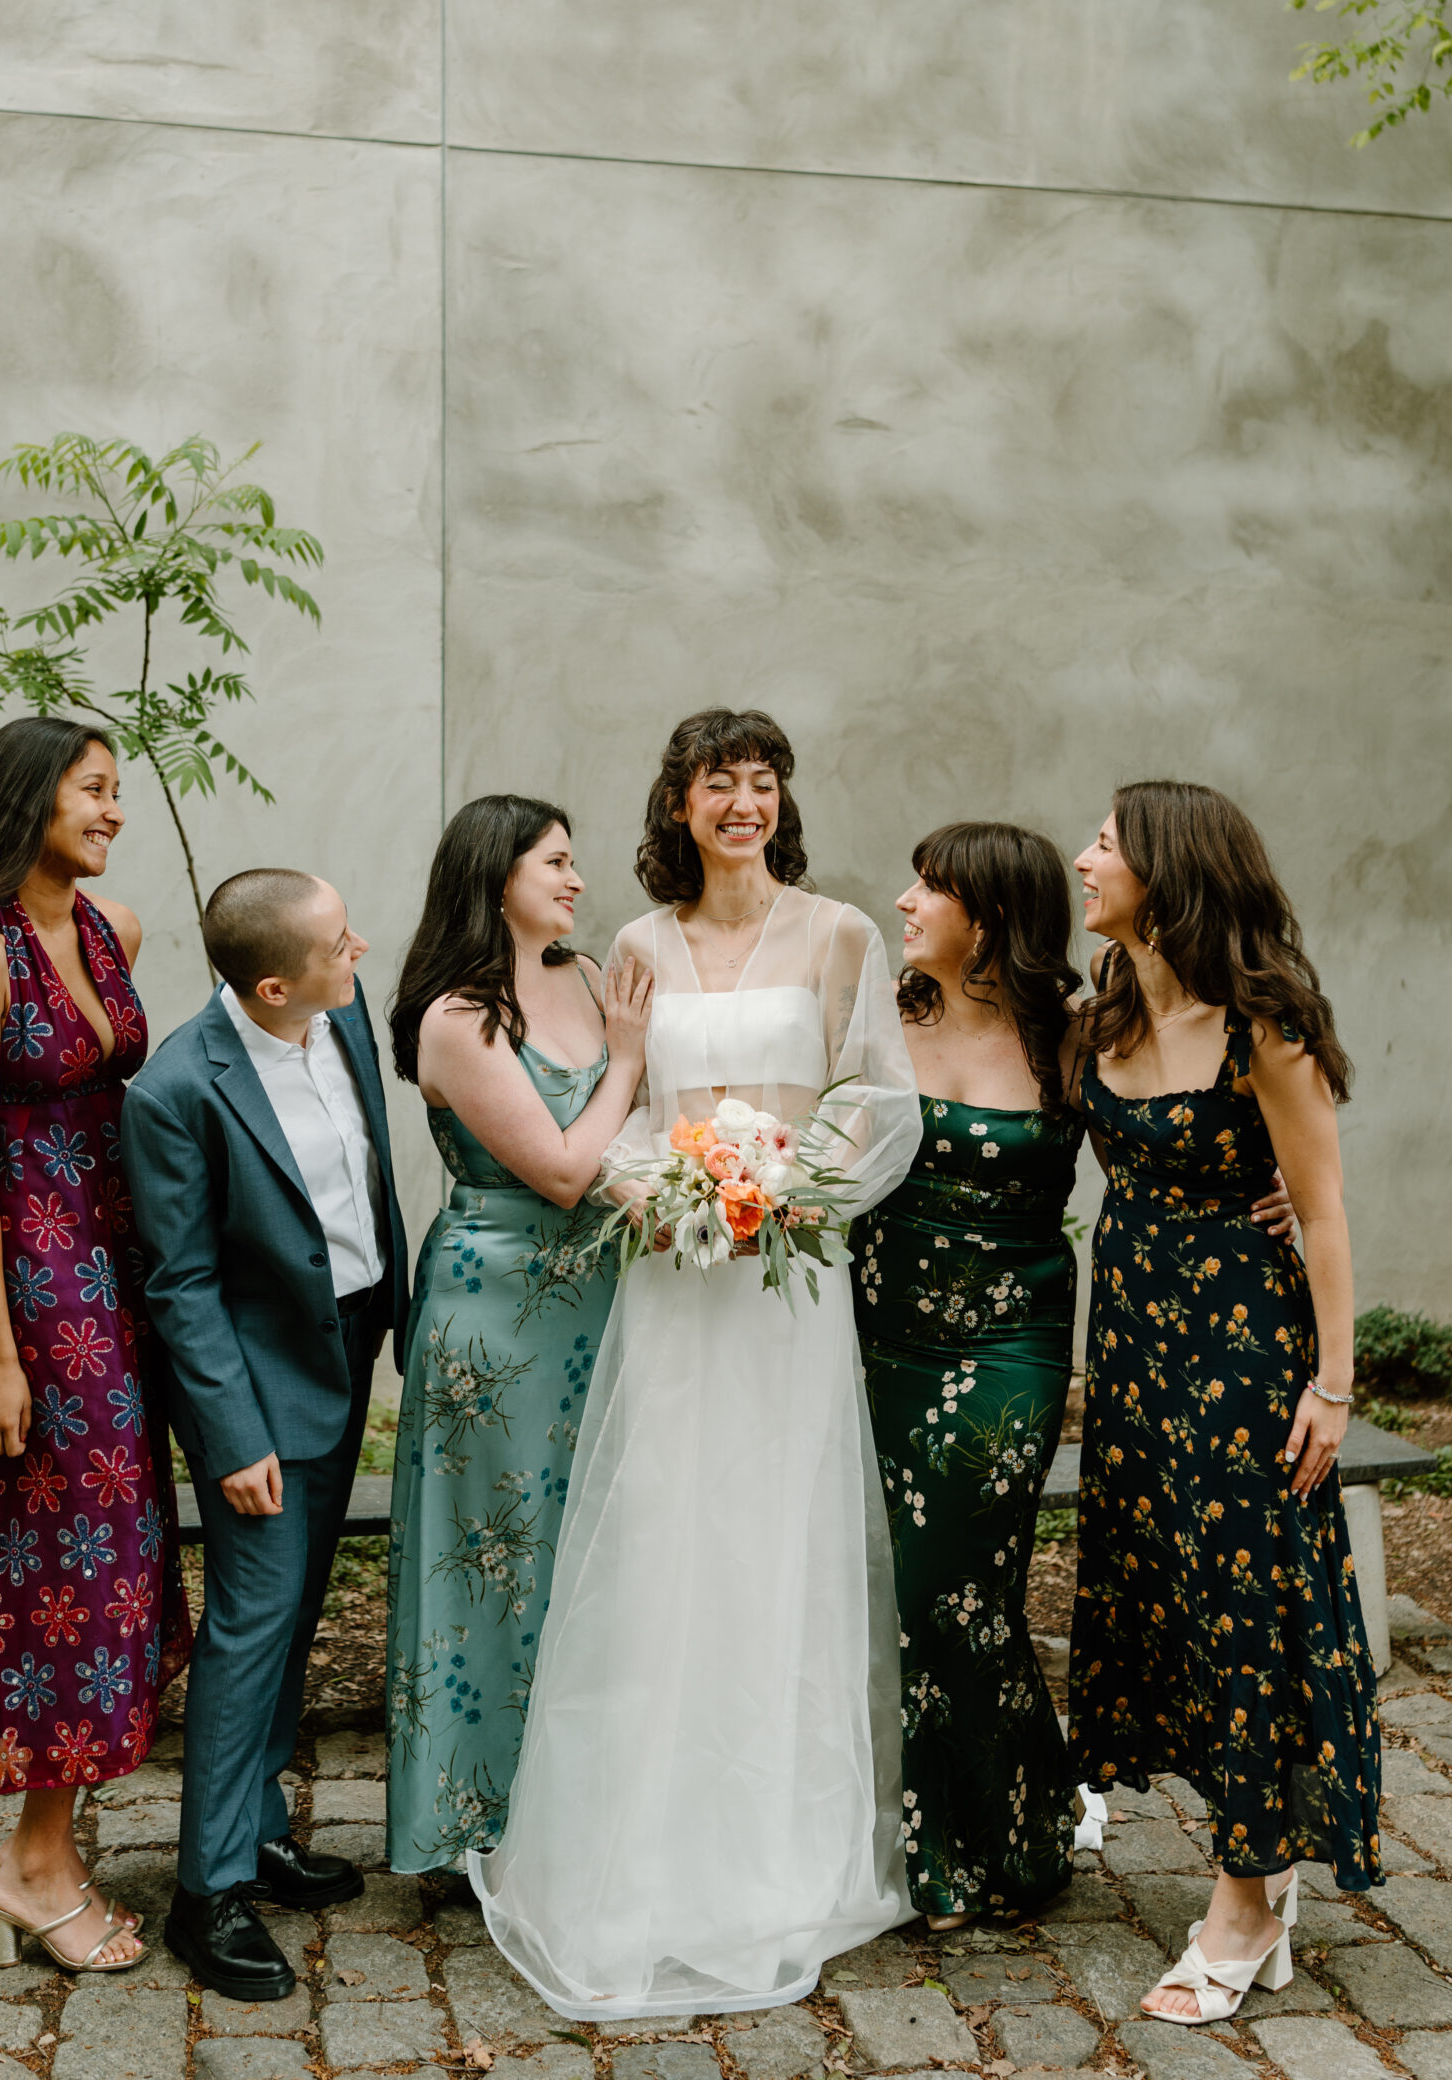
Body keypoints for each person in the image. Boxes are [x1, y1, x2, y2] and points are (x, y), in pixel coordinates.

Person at [470, 709, 922, 2018]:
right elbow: (612, 1102)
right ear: (677, 804)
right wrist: (671, 1189)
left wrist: (781, 1187)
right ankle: (648, 1841)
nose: (742, 802)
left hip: (786, 1283)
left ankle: (784, 1851)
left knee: (775, 1534)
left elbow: (871, 1101)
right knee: (671, 1534)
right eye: (717, 782)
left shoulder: (840, 935)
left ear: (781, 802)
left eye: (761, 781)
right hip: (672, 1279)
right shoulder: (635, 946)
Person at [1066, 781, 1380, 2030]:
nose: (1085, 857)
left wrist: (1335, 1384)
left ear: (1167, 869)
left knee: (1245, 1604)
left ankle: (1246, 1899)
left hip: (1245, 1354)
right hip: (1138, 1352)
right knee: (1172, 1596)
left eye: (1106, 843)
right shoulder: (1104, 1009)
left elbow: (1323, 1206)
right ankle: (1256, 1867)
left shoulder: (1265, 1026)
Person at [0, 717, 190, 1975]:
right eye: (93, 790)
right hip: (29, 1284)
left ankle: (54, 1842)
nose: (113, 811)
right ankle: (30, 1864)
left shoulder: (115, 932)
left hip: (118, 1267)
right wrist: (0, 1360)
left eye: (119, 792)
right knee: (55, 1557)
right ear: (30, 800)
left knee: (119, 1551)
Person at [120, 870, 408, 2003]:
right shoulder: (179, 1089)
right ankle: (210, 1890)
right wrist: (233, 1437)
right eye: (344, 942)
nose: (362, 949)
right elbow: (182, 1283)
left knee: (295, 1616)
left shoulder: (339, 1020)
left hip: (346, 1345)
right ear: (274, 979)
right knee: (249, 1629)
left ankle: (262, 1829)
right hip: (260, 1388)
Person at [382, 797, 653, 1869]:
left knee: (588, 1555)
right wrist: (627, 1063)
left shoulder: (587, 979)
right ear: (496, 874)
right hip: (494, 1319)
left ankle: (574, 1813)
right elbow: (560, 1165)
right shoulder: (457, 1015)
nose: (578, 881)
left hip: (601, 1302)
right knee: (494, 1561)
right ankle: (472, 1824)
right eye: (557, 863)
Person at [853, 822, 1086, 1929]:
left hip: (1011, 1344)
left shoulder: (1071, 1035)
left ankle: (1010, 1833)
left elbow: (1183, 1131)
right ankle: (936, 1839)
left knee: (960, 1586)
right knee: (905, 1589)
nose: (904, 901)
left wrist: (1276, 1200)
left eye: (930, 888)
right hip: (880, 1335)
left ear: (987, 919)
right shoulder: (883, 1013)